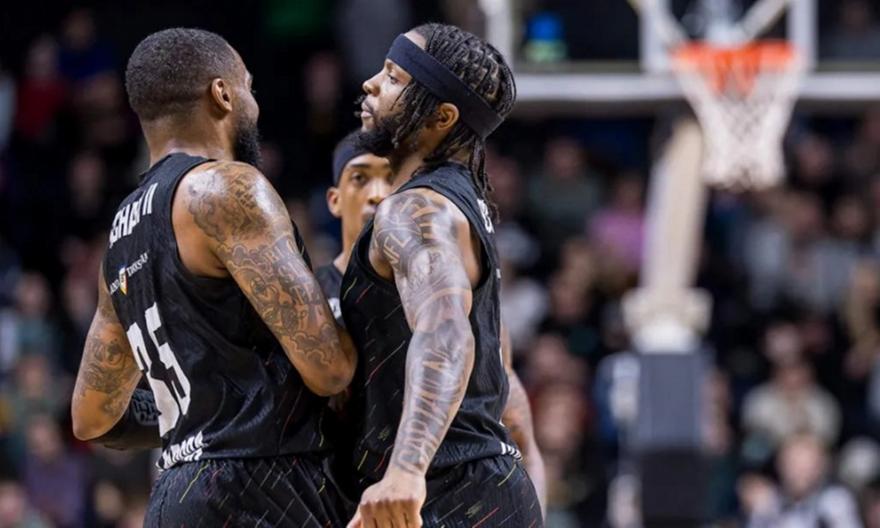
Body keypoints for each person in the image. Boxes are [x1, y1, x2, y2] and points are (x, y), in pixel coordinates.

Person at [69, 28, 355, 527]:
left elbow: (92, 416)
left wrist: (195, 411)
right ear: (222, 94)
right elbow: (328, 369)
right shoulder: (224, 189)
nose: (255, 106)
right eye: (249, 88)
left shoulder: (119, 236)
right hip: (260, 487)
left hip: (176, 495)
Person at [340, 24, 543, 527]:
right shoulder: (461, 205)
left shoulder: (418, 211)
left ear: (441, 117)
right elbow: (501, 373)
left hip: (449, 488)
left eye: (393, 77)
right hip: (483, 482)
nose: (370, 83)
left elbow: (446, 333)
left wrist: (407, 469)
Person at [320, 131, 547, 511]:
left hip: (454, 492)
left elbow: (521, 438)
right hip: (352, 499)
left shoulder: (454, 296)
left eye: (390, 178)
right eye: (360, 178)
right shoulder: (310, 300)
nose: (378, 193)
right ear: (334, 199)